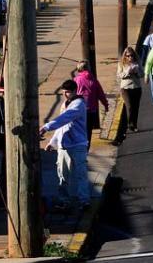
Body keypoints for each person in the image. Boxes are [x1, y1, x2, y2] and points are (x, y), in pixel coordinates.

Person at [39, 80, 89, 211]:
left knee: (81, 174)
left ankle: (84, 200)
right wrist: (53, 142)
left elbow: (65, 118)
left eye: (68, 92)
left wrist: (46, 127)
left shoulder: (78, 104)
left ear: (74, 91)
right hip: (64, 145)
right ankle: (64, 200)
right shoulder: (64, 104)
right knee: (62, 175)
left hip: (78, 144)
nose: (66, 95)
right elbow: (61, 126)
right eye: (64, 92)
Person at [73, 61, 109, 146]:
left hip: (79, 108)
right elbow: (101, 94)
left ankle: (80, 149)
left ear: (79, 69)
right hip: (91, 110)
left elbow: (72, 95)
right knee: (88, 131)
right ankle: (86, 150)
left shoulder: (76, 80)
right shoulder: (93, 79)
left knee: (79, 130)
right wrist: (106, 105)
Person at [116, 47, 142, 135]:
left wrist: (136, 72)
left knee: (136, 107)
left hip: (136, 87)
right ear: (125, 56)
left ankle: (134, 124)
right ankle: (130, 125)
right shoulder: (121, 64)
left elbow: (142, 73)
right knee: (129, 106)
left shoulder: (137, 63)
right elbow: (119, 75)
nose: (130, 57)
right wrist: (127, 72)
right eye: (128, 56)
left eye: (131, 55)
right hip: (126, 88)